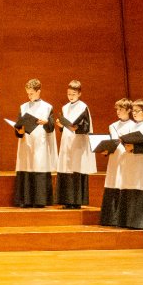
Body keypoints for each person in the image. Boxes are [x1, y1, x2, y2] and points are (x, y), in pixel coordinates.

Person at [12, 79, 57, 208]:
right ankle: (25, 200)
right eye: (28, 93)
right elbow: (19, 126)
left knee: (39, 166)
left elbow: (51, 127)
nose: (29, 96)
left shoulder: (47, 107)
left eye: (31, 93)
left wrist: (46, 122)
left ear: (38, 92)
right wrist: (19, 130)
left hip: (40, 143)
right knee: (26, 166)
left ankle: (39, 200)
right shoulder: (23, 107)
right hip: (26, 142)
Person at [55, 80, 95, 209]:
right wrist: (61, 125)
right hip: (67, 141)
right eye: (68, 94)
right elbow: (65, 125)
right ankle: (66, 200)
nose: (70, 96)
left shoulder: (83, 107)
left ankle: (76, 201)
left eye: (73, 94)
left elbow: (85, 126)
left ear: (79, 94)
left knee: (76, 169)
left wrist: (75, 128)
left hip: (78, 142)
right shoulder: (65, 107)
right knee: (66, 168)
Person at [117, 99, 143, 229]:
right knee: (129, 189)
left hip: (141, 167)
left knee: (139, 190)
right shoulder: (131, 126)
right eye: (133, 111)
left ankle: (140, 223)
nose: (134, 113)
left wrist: (134, 148)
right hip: (130, 164)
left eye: (138, 111)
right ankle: (128, 222)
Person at [99, 99, 134, 226]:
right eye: (117, 109)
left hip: (127, 158)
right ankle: (110, 219)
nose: (118, 112)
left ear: (129, 110)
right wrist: (105, 151)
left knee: (122, 183)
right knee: (113, 183)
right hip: (114, 158)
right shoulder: (112, 125)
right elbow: (111, 142)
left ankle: (122, 219)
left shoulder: (134, 126)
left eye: (121, 109)